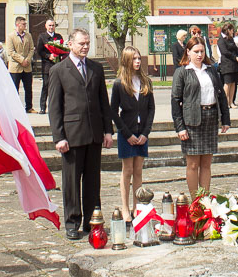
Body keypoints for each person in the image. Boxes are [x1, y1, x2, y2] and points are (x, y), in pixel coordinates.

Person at [48, 28, 113, 240]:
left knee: (93, 181)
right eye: (81, 44)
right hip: (72, 135)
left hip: (94, 133)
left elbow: (104, 101)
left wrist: (108, 131)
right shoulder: (59, 70)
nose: (85, 47)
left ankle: (92, 221)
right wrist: (59, 137)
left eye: (87, 43)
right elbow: (55, 107)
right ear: (70, 44)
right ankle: (72, 222)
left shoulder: (96, 68)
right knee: (72, 182)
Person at [171, 34, 230, 197]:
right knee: (193, 164)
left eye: (202, 51)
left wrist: (225, 118)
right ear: (188, 52)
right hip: (192, 121)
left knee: (206, 163)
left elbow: (221, 95)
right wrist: (180, 127)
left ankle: (204, 199)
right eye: (196, 51)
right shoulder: (183, 72)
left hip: (210, 117)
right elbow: (175, 101)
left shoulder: (210, 70)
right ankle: (195, 200)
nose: (199, 55)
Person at [110, 47, 155, 226]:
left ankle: (138, 207)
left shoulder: (146, 81)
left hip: (142, 131)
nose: (138, 61)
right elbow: (113, 111)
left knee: (138, 171)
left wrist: (145, 132)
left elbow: (151, 108)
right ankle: (125, 208)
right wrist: (126, 134)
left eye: (139, 58)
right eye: (134, 59)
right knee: (127, 170)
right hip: (127, 132)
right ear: (127, 61)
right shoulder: (119, 83)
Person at [36, 17, 65, 114]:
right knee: (46, 86)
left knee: (58, 86)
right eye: (49, 25)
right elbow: (39, 51)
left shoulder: (59, 36)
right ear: (46, 26)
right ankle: (43, 107)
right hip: (47, 65)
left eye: (53, 25)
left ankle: (57, 107)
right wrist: (48, 56)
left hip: (57, 65)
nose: (51, 27)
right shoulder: (42, 36)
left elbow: (63, 49)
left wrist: (59, 55)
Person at [6, 16, 35, 112]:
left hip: (27, 67)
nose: (25, 25)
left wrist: (27, 59)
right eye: (23, 24)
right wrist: (22, 60)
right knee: (14, 89)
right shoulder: (11, 36)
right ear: (18, 24)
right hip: (15, 67)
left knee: (28, 88)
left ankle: (29, 107)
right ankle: (14, 109)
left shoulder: (28, 36)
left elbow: (32, 49)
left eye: (25, 24)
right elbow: (11, 51)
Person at [217, 23, 238, 108]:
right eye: (231, 30)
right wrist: (235, 57)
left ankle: (231, 102)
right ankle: (225, 102)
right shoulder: (221, 40)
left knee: (233, 83)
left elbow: (236, 49)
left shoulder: (231, 39)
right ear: (228, 30)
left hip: (234, 64)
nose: (233, 31)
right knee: (227, 83)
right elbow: (224, 52)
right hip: (227, 64)